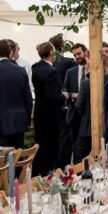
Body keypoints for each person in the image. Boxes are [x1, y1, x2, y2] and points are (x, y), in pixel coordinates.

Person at [0, 39, 32, 148]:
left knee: (0, 162)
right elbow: (28, 99)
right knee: (17, 160)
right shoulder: (21, 70)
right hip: (19, 123)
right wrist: (27, 121)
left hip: (0, 125)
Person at [28, 42, 64, 176]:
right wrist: (63, 96)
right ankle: (47, 176)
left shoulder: (36, 69)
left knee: (40, 148)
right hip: (51, 117)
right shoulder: (51, 71)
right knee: (51, 150)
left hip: (39, 114)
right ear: (50, 53)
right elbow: (52, 97)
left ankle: (37, 176)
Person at [59, 43, 88, 166]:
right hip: (74, 113)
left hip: (88, 113)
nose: (77, 57)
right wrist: (73, 95)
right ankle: (77, 169)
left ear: (86, 52)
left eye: (79, 54)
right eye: (74, 55)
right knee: (76, 147)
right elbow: (64, 91)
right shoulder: (71, 72)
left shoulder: (93, 69)